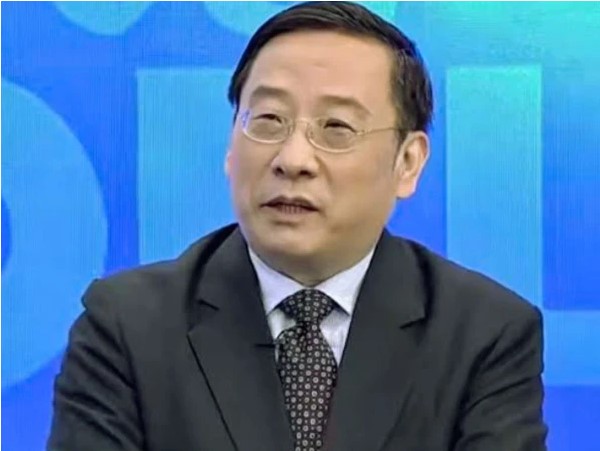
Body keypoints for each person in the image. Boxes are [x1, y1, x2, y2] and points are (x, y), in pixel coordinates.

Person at [48, 2, 547, 450]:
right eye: (268, 120)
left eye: (336, 128)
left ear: (408, 162)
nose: (293, 159)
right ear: (231, 145)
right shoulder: (127, 328)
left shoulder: (484, 335)